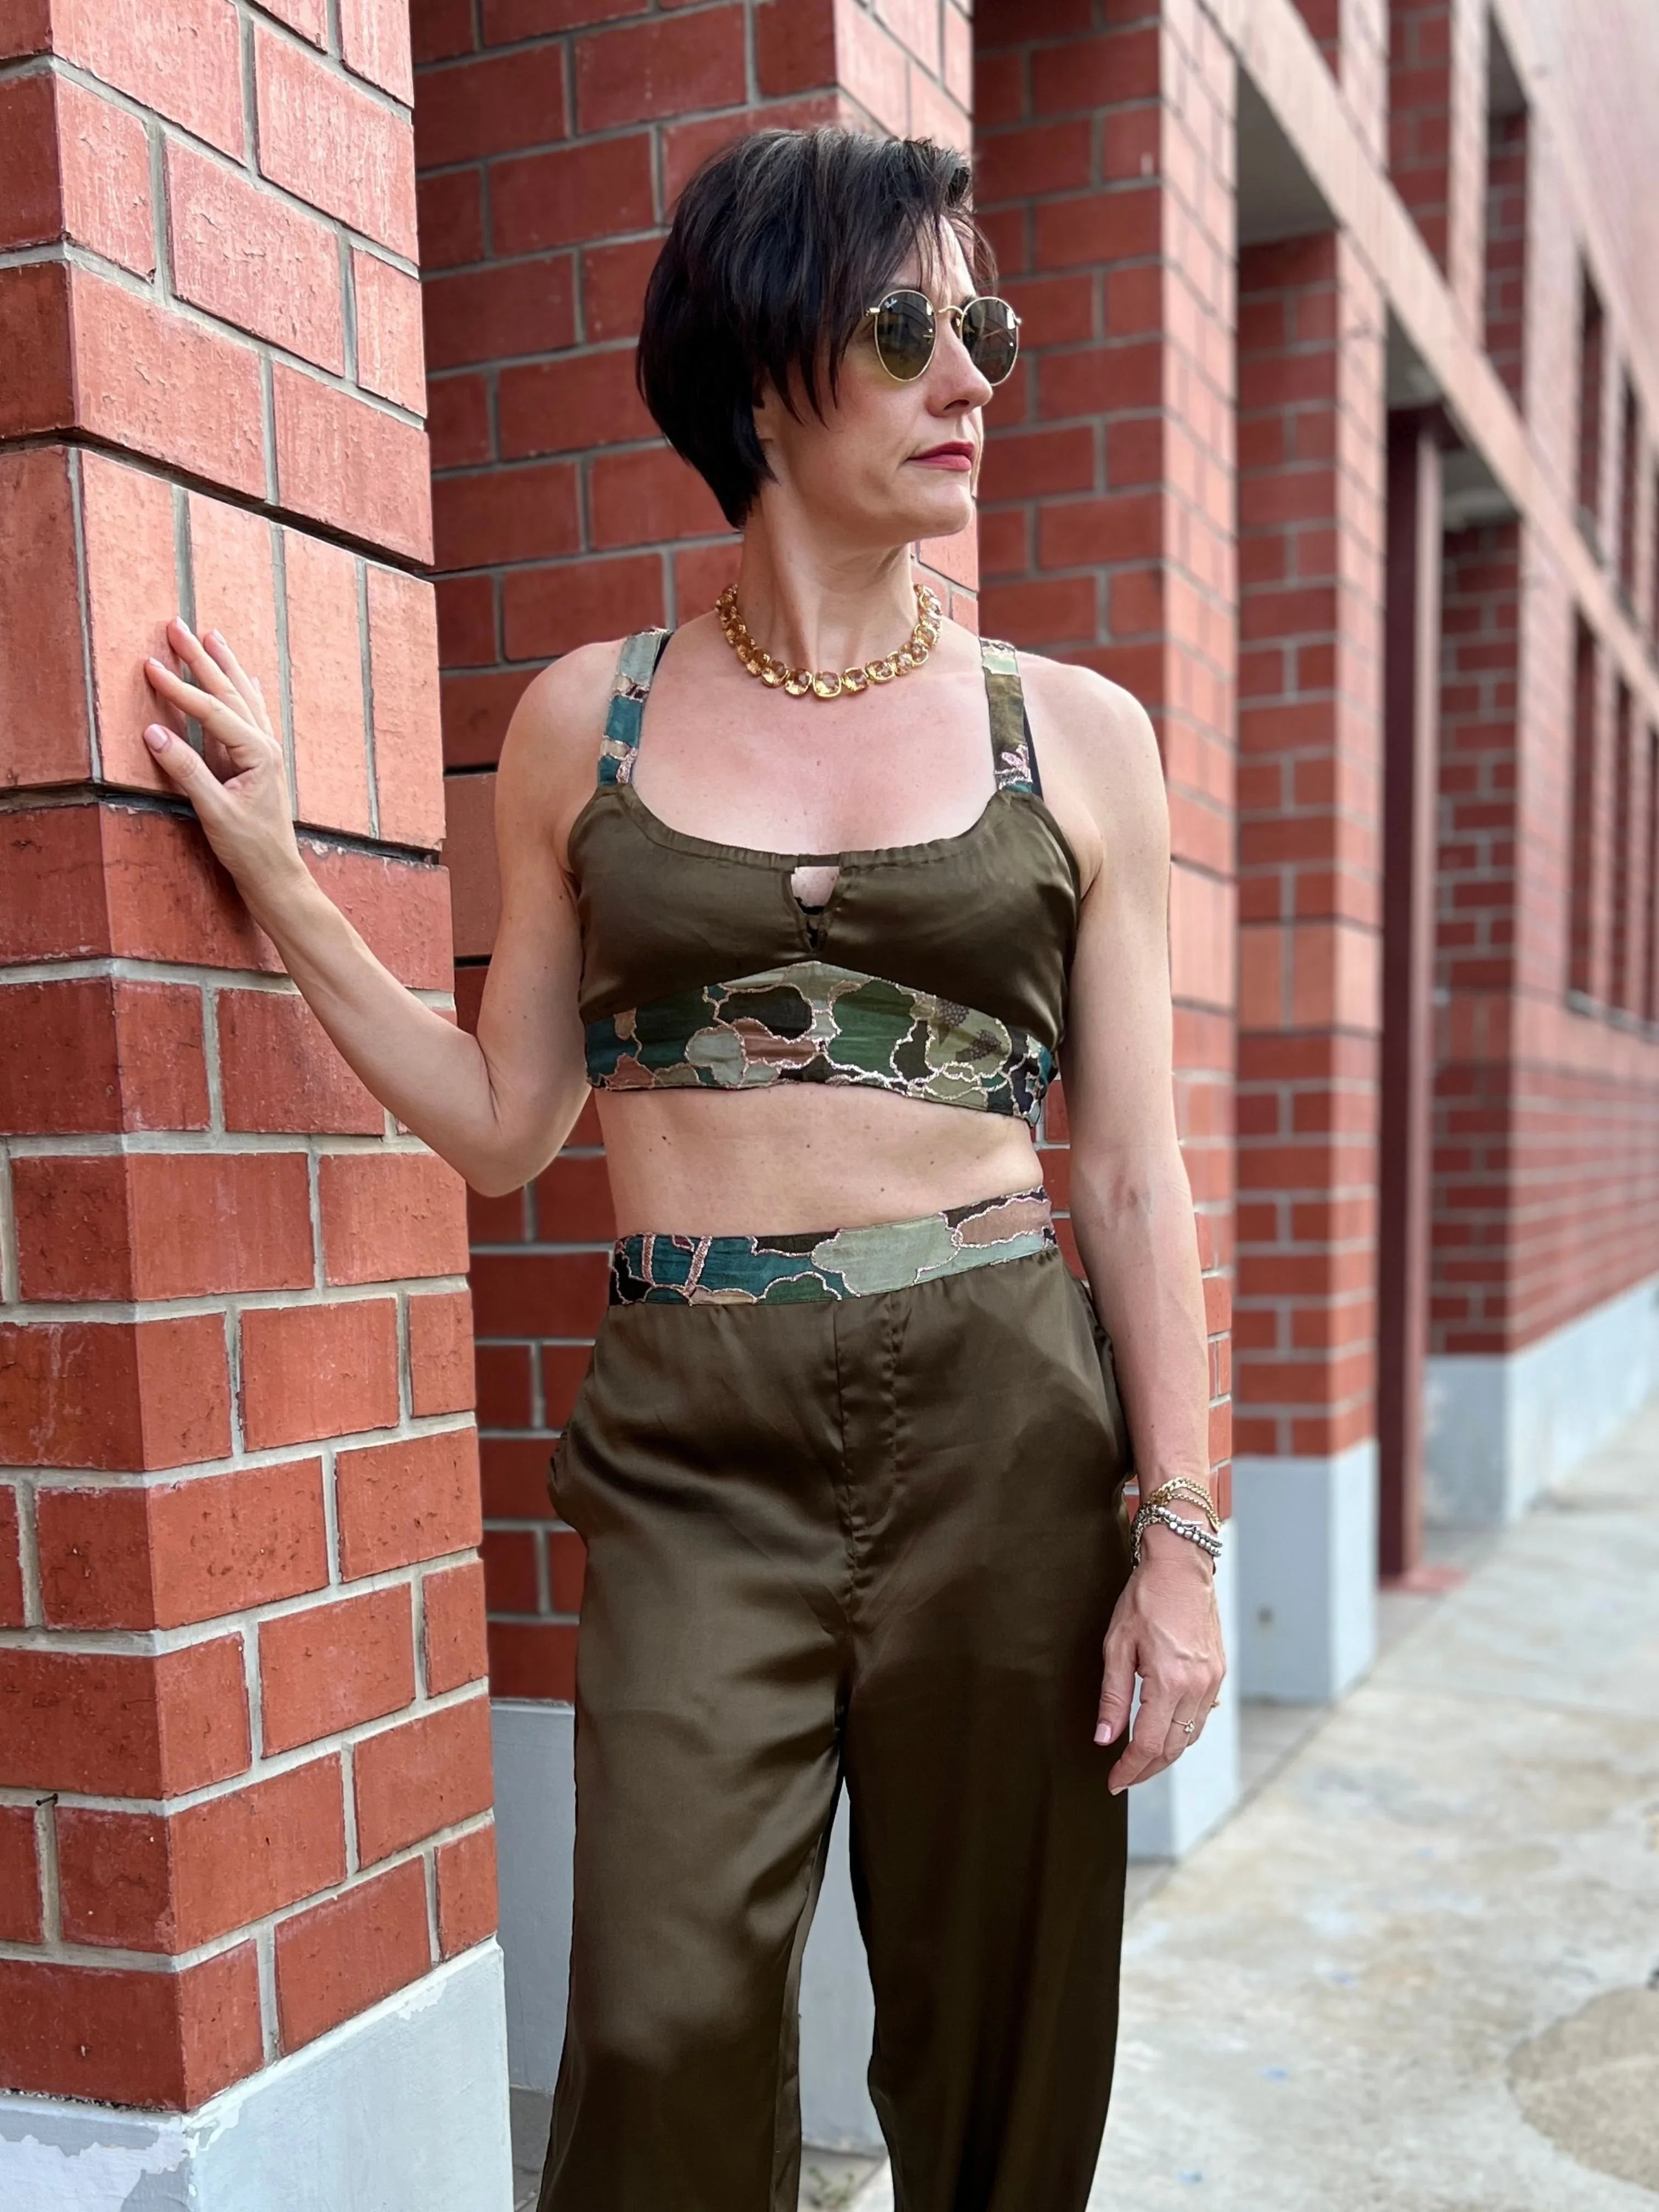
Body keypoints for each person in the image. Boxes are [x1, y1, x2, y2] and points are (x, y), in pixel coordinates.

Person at [142, 125, 1226, 2212]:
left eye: (981, 325)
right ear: (757, 374)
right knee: (653, 2032)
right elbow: (499, 1124)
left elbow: (1137, 1178)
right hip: (690, 1435)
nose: (972, 378)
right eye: (908, 328)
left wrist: (1176, 1534)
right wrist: (279, 872)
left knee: (1007, 2037)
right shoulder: (589, 725)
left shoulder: (1072, 737)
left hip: (1003, 1406)